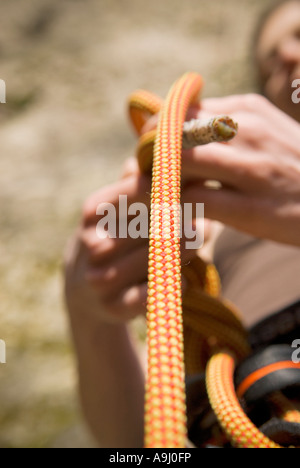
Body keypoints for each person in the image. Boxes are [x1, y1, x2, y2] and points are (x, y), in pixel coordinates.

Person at [64, 0, 300, 448]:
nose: (288, 55)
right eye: (271, 59)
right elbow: (137, 441)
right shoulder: (207, 226)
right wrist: (90, 316)